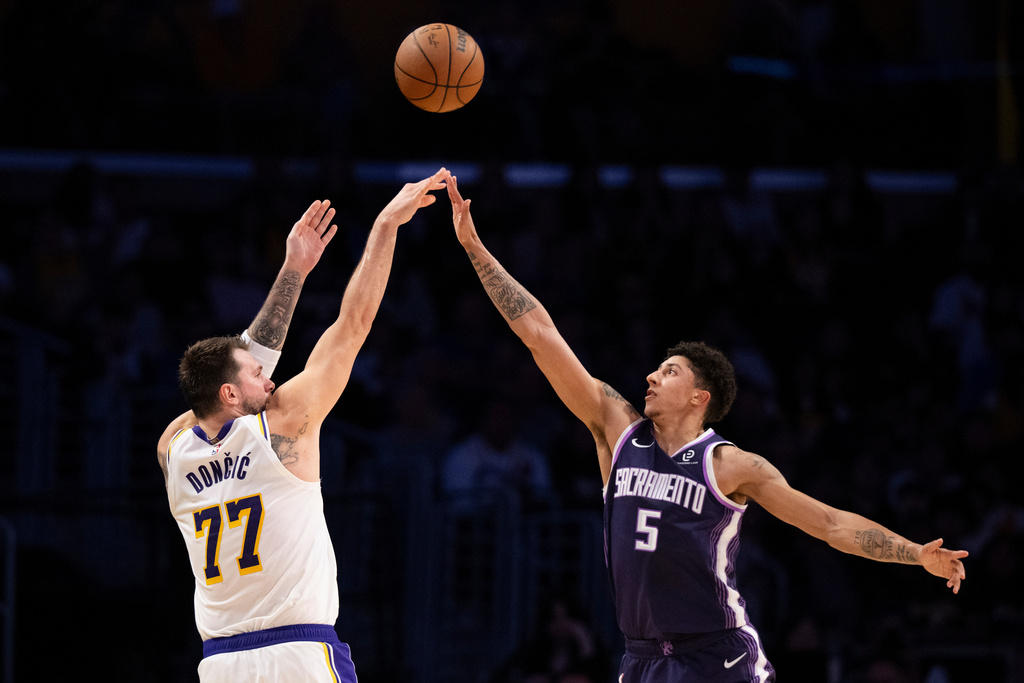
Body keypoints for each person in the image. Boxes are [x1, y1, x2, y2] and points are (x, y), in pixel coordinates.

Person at [442, 169, 968, 683]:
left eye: (668, 371)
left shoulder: (730, 464)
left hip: (718, 658)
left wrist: (913, 553)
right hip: (642, 658)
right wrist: (473, 247)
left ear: (699, 397)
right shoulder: (616, 429)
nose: (650, 375)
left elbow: (829, 525)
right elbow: (540, 333)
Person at [157, 169, 447, 683]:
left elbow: (217, 389)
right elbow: (353, 324)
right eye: (256, 374)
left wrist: (294, 269)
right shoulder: (283, 423)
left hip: (220, 663)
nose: (269, 377)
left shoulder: (173, 448)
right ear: (230, 393)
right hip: (296, 653)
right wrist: (385, 226)